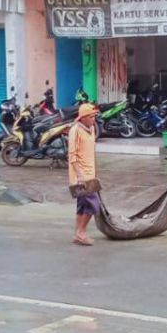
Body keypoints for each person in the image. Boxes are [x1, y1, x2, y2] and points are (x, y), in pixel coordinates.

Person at [68, 102, 101, 247]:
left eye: (94, 116)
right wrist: (80, 176)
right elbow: (72, 156)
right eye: (91, 117)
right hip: (80, 176)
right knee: (94, 205)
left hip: (90, 173)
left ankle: (77, 233)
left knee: (82, 206)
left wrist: (95, 172)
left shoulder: (92, 129)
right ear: (83, 118)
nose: (93, 119)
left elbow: (91, 152)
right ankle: (81, 232)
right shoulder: (75, 130)